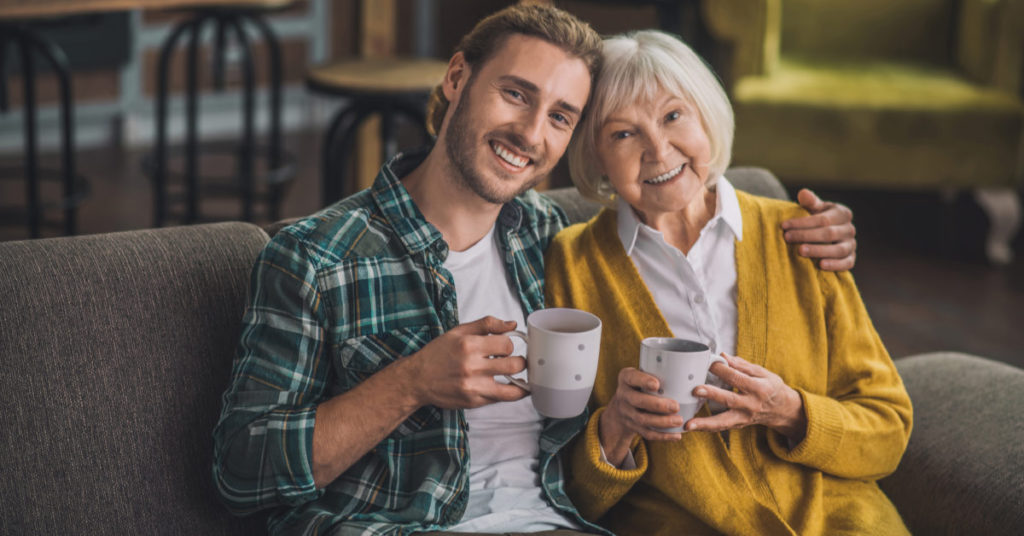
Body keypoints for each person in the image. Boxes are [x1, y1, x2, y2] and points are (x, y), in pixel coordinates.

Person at [212, 6, 857, 535]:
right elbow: (241, 472)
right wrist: (410, 383)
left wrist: (806, 229)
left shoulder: (557, 242)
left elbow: (673, 190)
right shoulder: (315, 257)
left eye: (560, 116)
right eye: (515, 94)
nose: (529, 132)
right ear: (458, 78)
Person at [544, 30, 913, 536]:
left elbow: (888, 430)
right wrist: (615, 428)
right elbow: (560, 484)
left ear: (706, 116)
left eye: (674, 115)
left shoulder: (801, 235)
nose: (658, 148)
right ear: (595, 156)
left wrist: (791, 412)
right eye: (623, 134)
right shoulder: (574, 262)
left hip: (839, 518)